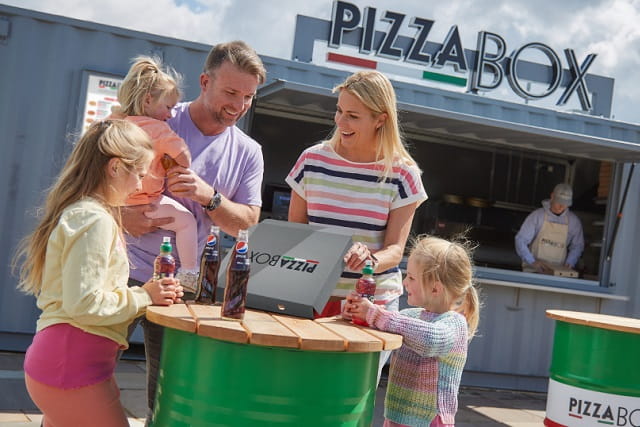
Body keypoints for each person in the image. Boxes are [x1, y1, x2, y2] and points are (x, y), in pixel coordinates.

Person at [122, 40, 267, 419]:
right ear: (205, 81)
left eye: (248, 96)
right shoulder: (160, 117)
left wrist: (209, 197)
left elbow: (248, 221)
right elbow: (93, 182)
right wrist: (122, 217)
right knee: (90, 371)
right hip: (120, 271)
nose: (238, 105)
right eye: (230, 92)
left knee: (168, 390)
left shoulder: (249, 152)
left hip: (183, 287)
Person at [13, 120, 183, 427]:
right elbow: (85, 302)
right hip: (72, 370)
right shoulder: (95, 220)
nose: (141, 185)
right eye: (140, 174)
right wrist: (144, 296)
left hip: (67, 367)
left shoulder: (83, 213)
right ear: (116, 167)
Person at [286, 70, 427, 374]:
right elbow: (293, 235)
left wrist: (369, 260)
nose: (340, 122)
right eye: (338, 111)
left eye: (352, 115)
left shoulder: (403, 175)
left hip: (371, 302)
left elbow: (394, 250)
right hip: (311, 298)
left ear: (380, 119)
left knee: (348, 397)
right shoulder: (311, 160)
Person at [344, 235, 481, 427]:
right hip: (397, 415)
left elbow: (429, 340)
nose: (405, 282)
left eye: (411, 277)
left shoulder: (454, 324)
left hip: (430, 420)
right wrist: (357, 312)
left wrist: (374, 314)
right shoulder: (410, 315)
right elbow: (385, 324)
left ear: (435, 289)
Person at [113, 55, 200, 292]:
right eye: (168, 107)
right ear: (149, 100)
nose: (171, 115)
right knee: (186, 223)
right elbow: (184, 157)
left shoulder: (113, 123)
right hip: (147, 201)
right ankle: (190, 273)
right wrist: (174, 160)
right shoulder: (158, 129)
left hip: (115, 201)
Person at [515, 182, 584, 274]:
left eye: (565, 204)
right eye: (559, 202)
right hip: (534, 271)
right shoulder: (537, 216)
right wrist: (532, 261)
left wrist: (570, 262)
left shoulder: (574, 222)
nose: (561, 206)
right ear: (552, 196)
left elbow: (577, 246)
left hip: (558, 273)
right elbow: (520, 240)